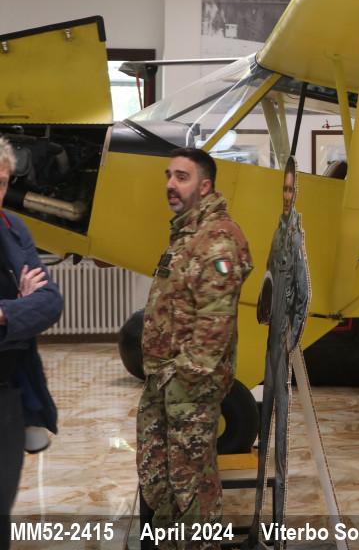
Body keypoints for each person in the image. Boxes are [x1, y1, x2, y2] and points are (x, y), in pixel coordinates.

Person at [137, 148, 252, 548]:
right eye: (169, 175)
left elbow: (215, 321)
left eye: (182, 177)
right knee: (160, 477)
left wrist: (185, 378)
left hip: (188, 386)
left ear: (205, 186)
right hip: (164, 380)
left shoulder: (217, 238)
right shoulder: (188, 234)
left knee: (192, 484)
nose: (171, 184)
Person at [0, 137, 62, 550]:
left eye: (2, 182)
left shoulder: (13, 228)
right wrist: (20, 307)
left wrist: (6, 314)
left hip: (8, 393)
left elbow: (50, 301)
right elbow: (32, 308)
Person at [247, 157, 310, 547]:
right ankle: (257, 526)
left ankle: (278, 530)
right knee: (263, 434)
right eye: (283, 189)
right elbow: (271, 274)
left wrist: (291, 340)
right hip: (269, 342)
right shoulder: (276, 233)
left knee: (281, 442)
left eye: (290, 189)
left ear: (296, 192)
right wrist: (263, 297)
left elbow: (305, 295)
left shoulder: (297, 238)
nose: (286, 195)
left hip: (281, 346)